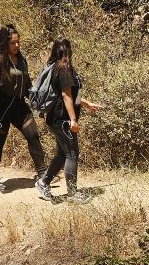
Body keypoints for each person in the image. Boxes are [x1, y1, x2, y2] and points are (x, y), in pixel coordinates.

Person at [0, 24, 49, 198]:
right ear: (5, 43)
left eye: (18, 42)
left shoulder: (21, 60)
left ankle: (43, 173)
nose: (17, 46)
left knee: (33, 134)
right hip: (1, 108)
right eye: (13, 43)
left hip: (19, 106)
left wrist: (37, 103)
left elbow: (27, 85)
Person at [41, 39, 103, 204]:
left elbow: (70, 94)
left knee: (62, 155)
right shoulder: (64, 68)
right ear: (68, 52)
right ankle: (72, 193)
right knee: (72, 154)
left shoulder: (55, 67)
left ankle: (43, 182)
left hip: (54, 119)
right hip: (62, 120)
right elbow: (65, 95)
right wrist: (73, 120)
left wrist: (86, 103)